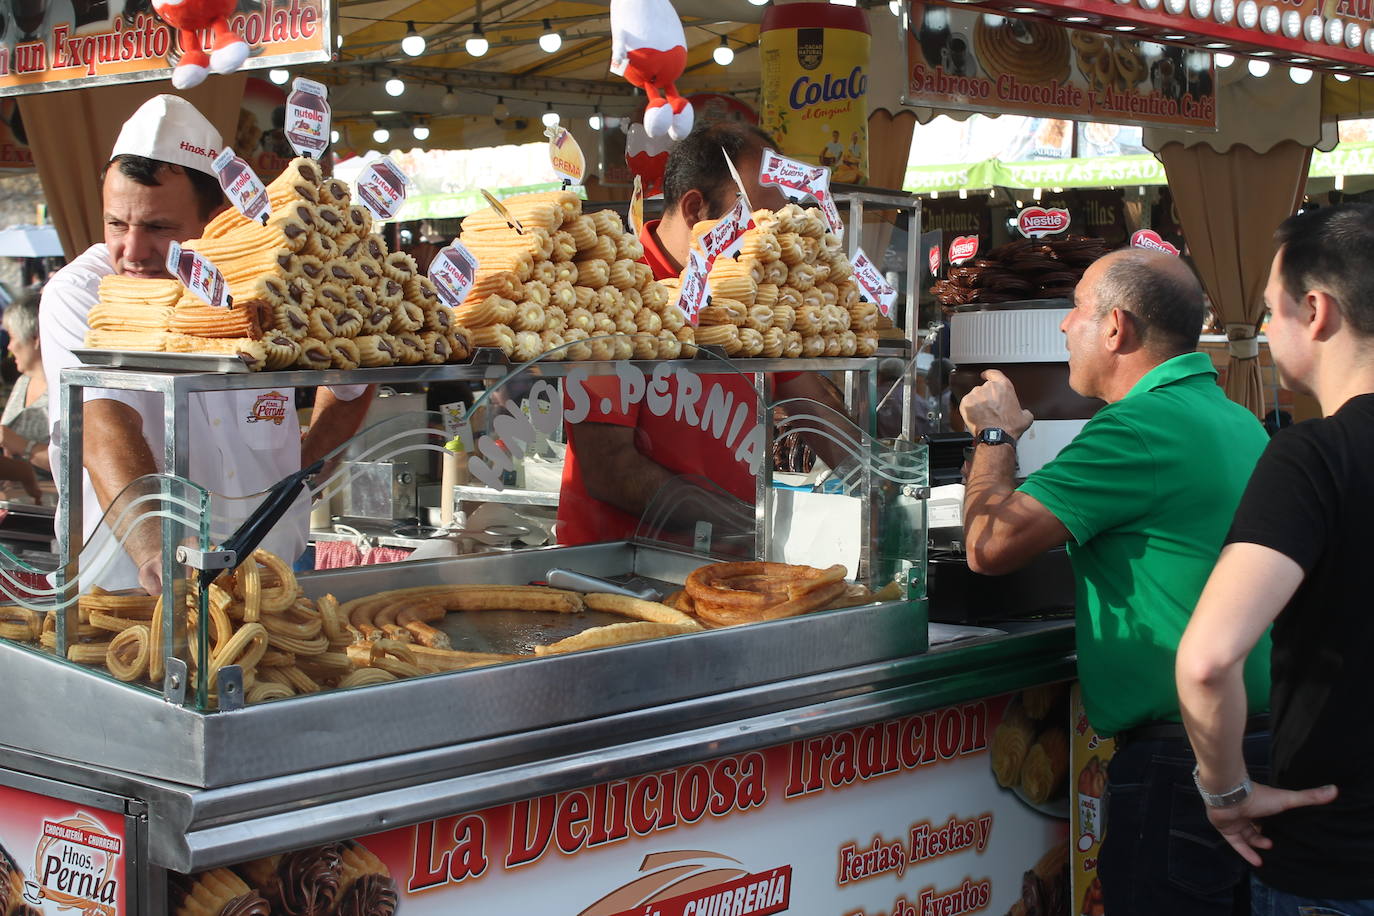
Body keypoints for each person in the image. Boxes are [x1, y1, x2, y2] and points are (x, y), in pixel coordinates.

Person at [958, 248, 1272, 916]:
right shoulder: (1234, 418)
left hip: (1182, 767)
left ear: (1116, 329)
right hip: (1251, 748)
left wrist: (994, 433)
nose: (1064, 326)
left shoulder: (1137, 428)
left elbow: (988, 545)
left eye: (1076, 308)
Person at [41, 95, 372, 593]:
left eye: (157, 228)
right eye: (116, 223)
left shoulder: (269, 283)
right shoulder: (81, 293)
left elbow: (355, 377)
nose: (131, 251)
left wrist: (297, 481)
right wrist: (156, 550)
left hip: (272, 577)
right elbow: (102, 421)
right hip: (136, 589)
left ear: (218, 218)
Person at [1176, 204, 1374, 910]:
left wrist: (1224, 790)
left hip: (1338, 862)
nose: (1259, 332)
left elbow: (1208, 660)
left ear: (1316, 312)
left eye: (1268, 312)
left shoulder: (1314, 459)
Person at [557, 121, 851, 546]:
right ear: (696, 210)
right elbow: (610, 467)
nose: (772, 239)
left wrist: (884, 490)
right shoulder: (614, 294)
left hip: (728, 566)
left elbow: (816, 411)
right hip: (616, 571)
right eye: (758, 222)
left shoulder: (754, 294)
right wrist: (749, 523)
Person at [0, 291, 48, 502]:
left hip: (51, 504)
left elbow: (78, 460)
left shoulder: (66, 389)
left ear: (35, 339)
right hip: (17, 500)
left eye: (11, 336)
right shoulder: (24, 381)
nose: (9, 347)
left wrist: (20, 444)